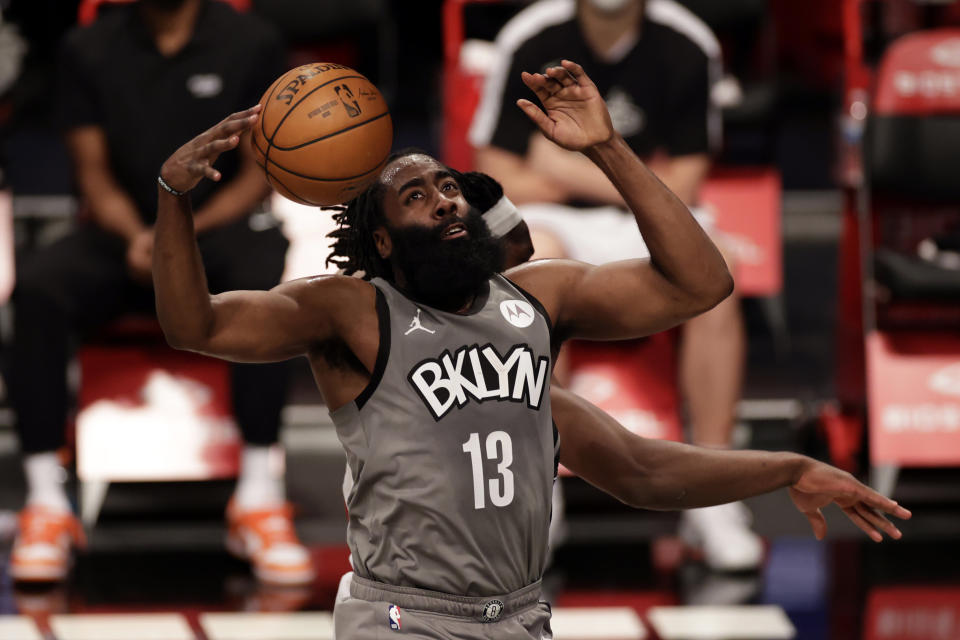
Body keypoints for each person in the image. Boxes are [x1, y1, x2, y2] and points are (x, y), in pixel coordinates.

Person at [155, 59, 909, 637]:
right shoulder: (350, 311)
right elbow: (199, 327)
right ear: (381, 241)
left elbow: (693, 300)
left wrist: (608, 148)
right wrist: (174, 199)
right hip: (403, 618)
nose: (445, 198)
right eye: (416, 196)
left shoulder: (536, 304)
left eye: (448, 187)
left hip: (518, 615)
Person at [8, 0, 310, 586]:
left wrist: (181, 234)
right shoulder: (86, 48)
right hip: (123, 232)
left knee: (267, 284)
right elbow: (90, 170)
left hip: (212, 229)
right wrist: (142, 236)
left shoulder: (251, 41)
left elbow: (259, 172)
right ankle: (46, 502)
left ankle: (257, 494)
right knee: (39, 290)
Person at [470, 0, 757, 571]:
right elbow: (497, 171)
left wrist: (570, 160)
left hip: (646, 219)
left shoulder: (687, 41)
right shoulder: (531, 37)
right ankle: (537, 487)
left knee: (717, 270)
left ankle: (712, 493)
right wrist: (632, 173)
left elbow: (688, 182)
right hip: (554, 219)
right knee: (536, 261)